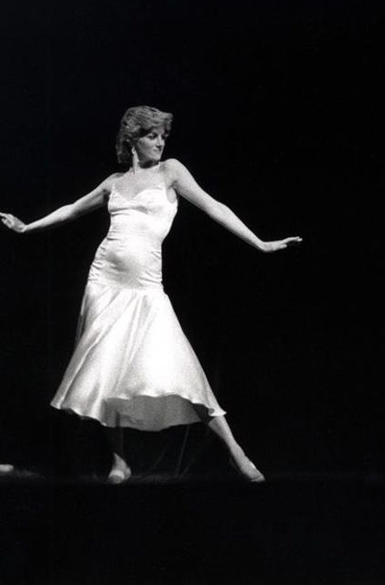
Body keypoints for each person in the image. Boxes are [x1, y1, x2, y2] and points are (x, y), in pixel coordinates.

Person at [0, 106, 302, 483]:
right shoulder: (114, 182)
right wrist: (27, 228)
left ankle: (236, 452)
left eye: (162, 137)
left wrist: (260, 243)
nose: (160, 143)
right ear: (133, 140)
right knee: (105, 371)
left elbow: (214, 206)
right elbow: (72, 209)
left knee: (180, 369)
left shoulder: (171, 172)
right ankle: (119, 462)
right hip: (104, 283)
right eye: (152, 136)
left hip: (145, 286)